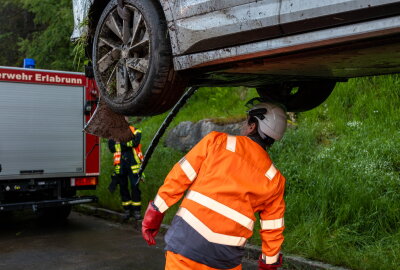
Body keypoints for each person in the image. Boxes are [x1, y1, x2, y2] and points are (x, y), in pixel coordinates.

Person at [141, 101, 287, 270]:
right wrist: (268, 264)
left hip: (185, 244)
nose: (243, 125)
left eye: (246, 121)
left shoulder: (217, 142)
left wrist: (154, 213)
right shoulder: (275, 180)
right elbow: (273, 229)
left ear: (252, 126)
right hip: (225, 258)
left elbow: (179, 177)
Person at [108, 117, 144, 220]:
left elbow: (134, 143)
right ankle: (127, 210)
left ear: (128, 120)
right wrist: (126, 144)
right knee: (123, 188)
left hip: (133, 164)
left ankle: (137, 211)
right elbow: (111, 148)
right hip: (120, 165)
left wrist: (121, 143)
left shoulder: (135, 131)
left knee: (135, 187)